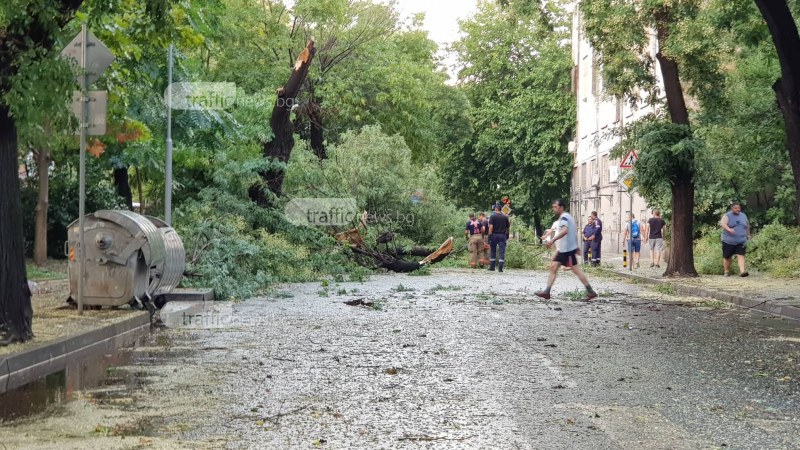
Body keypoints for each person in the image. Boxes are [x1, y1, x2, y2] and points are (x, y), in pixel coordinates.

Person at [535, 199, 598, 300]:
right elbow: (572, 232)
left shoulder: (564, 218)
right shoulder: (567, 217)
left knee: (575, 270)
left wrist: (552, 240)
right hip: (565, 249)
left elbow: (565, 231)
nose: (553, 209)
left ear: (561, 207)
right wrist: (576, 246)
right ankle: (547, 291)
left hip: (566, 250)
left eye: (555, 207)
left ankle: (590, 291)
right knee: (554, 267)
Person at [721, 201, 750, 277]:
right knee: (727, 257)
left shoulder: (743, 215)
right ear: (732, 208)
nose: (738, 209)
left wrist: (748, 235)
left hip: (741, 240)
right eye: (736, 208)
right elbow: (723, 224)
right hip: (728, 241)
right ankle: (726, 271)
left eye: (739, 208)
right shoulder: (727, 215)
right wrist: (729, 229)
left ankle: (742, 271)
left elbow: (747, 225)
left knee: (741, 255)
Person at [488, 203, 510, 272]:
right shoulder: (505, 217)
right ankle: (500, 267)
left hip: (494, 235)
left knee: (493, 250)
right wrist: (507, 235)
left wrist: (489, 235)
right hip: (502, 235)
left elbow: (491, 227)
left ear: (496, 209)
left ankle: (492, 267)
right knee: (502, 251)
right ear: (501, 209)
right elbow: (507, 227)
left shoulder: (492, 216)